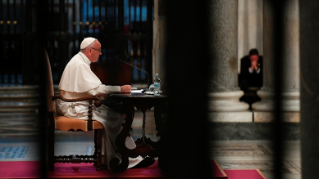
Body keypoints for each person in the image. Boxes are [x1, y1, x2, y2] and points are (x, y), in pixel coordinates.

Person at [56, 37, 154, 169]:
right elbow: (96, 90)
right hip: (74, 107)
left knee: (115, 115)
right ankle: (125, 159)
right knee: (114, 117)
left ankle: (123, 155)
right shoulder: (79, 64)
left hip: (79, 104)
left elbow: (92, 90)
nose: (101, 53)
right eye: (99, 50)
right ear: (90, 50)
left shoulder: (80, 61)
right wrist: (120, 89)